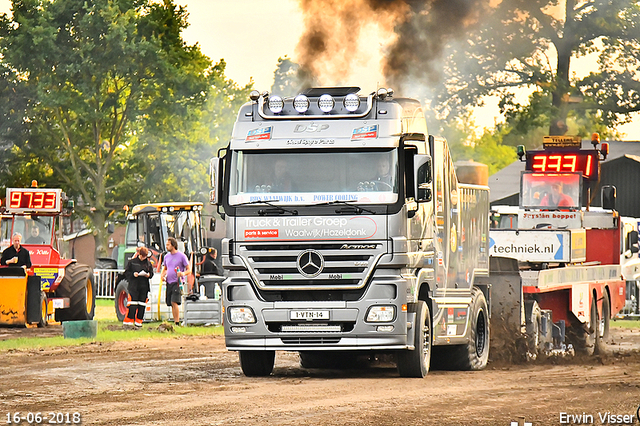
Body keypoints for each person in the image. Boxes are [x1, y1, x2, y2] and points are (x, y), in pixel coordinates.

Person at [160, 237, 190, 325]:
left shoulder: (181, 256)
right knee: (170, 302)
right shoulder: (166, 257)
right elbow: (165, 268)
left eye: (168, 245)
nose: (166, 247)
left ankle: (177, 322)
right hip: (168, 282)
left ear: (173, 245)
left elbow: (189, 269)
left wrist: (182, 273)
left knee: (174, 301)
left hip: (177, 282)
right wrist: (162, 275)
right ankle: (174, 320)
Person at [122, 246, 154, 328]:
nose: (143, 258)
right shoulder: (132, 262)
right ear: (139, 254)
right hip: (134, 286)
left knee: (142, 305)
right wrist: (133, 274)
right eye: (142, 256)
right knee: (132, 304)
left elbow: (151, 273)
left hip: (144, 287)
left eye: (145, 256)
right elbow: (126, 273)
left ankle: (139, 323)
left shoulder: (148, 263)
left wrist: (148, 275)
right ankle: (128, 322)